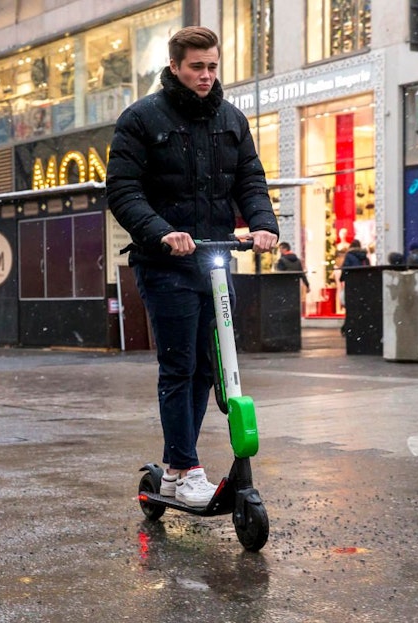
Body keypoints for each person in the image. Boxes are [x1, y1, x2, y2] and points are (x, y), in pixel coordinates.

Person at [106, 27, 279, 508]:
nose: (206, 76)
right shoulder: (142, 119)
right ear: (176, 67)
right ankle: (184, 468)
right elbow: (122, 191)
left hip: (215, 261)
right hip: (166, 263)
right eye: (197, 67)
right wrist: (161, 230)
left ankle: (176, 470)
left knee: (210, 368)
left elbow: (250, 179)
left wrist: (264, 224)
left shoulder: (231, 120)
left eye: (213, 67)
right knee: (179, 367)